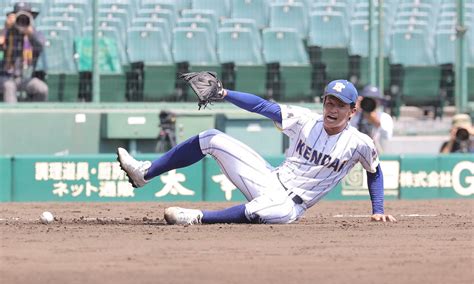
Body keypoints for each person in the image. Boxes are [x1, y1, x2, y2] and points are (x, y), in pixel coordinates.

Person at [117, 79, 396, 225]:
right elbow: (262, 107)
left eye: (340, 105)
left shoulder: (360, 142)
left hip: (292, 205)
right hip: (269, 180)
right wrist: (224, 94)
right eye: (329, 102)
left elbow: (374, 171)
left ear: (352, 110)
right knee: (211, 137)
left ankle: (197, 217)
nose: (332, 110)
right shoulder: (305, 120)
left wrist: (378, 210)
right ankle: (144, 173)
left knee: (275, 209)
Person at [0, 2, 48, 103]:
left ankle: (34, 115)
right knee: (9, 86)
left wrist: (29, 32)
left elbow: (40, 46)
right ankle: (13, 116)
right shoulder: (8, 33)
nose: (22, 20)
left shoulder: (35, 34)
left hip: (26, 78)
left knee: (42, 89)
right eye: (19, 16)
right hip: (6, 77)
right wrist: (6, 28)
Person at [350, 85, 393, 153]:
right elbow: (346, 133)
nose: (370, 103)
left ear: (379, 101)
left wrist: (376, 122)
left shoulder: (385, 118)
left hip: (378, 157)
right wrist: (353, 110)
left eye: (375, 100)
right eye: (368, 99)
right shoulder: (355, 116)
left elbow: (387, 137)